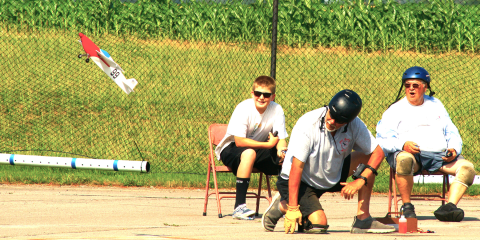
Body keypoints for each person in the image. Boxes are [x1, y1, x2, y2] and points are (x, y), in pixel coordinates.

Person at [262, 89, 395, 234]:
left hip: (331, 173)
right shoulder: (308, 124)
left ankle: (363, 219)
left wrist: (361, 179)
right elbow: (296, 168)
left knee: (367, 156)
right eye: (331, 114)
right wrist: (293, 208)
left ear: (348, 122)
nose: (331, 121)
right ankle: (282, 205)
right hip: (301, 181)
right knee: (319, 225)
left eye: (338, 120)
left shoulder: (355, 124)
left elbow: (378, 151)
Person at [376, 66, 476, 222]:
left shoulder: (436, 104)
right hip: (412, 156)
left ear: (426, 86)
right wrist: (403, 145)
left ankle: (448, 208)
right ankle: (407, 206)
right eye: (407, 85)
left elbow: (451, 131)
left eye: (415, 85)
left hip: (439, 156)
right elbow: (382, 139)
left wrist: (454, 149)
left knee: (468, 169)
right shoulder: (395, 110)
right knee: (403, 160)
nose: (410, 89)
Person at [215, 75, 288, 220]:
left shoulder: (277, 109)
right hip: (231, 148)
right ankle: (239, 207)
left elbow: (281, 139)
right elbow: (240, 141)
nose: (261, 97)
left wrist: (282, 151)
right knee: (249, 153)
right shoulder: (243, 107)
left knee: (289, 157)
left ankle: (287, 204)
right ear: (252, 93)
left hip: (257, 151)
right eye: (257, 93)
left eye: (266, 94)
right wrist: (268, 145)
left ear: (272, 96)